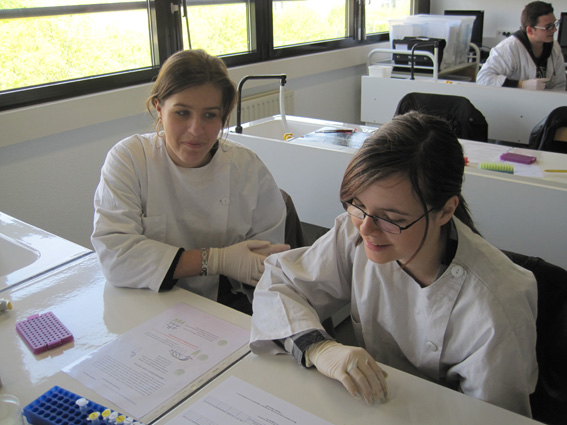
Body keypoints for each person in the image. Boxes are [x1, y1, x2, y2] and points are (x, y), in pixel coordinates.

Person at [250, 111, 538, 417]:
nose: (366, 229)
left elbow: (494, 418)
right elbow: (279, 283)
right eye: (358, 205)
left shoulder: (497, 304)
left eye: (390, 218)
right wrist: (319, 347)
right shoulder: (355, 232)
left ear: (445, 211)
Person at [91, 49, 289, 313]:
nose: (196, 130)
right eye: (182, 113)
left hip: (226, 305)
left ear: (223, 116)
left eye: (210, 115)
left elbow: (266, 265)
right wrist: (216, 260)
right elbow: (116, 257)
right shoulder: (130, 159)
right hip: (148, 301)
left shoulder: (247, 168)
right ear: (159, 108)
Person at [477, 1, 566, 91]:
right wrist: (521, 85)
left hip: (546, 98)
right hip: (514, 99)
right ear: (530, 30)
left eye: (555, 24)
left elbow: (560, 84)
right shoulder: (509, 48)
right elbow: (483, 79)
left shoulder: (554, 47)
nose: (554, 30)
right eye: (548, 27)